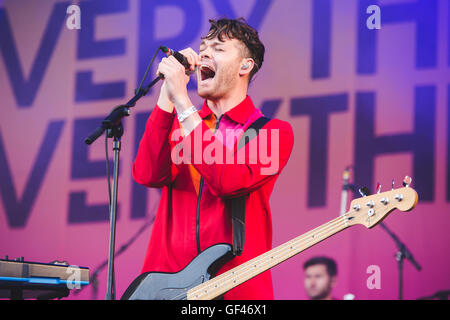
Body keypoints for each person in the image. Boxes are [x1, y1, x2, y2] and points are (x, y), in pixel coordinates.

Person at [132, 17, 294, 299]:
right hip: (164, 286)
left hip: (234, 291)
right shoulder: (182, 122)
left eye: (218, 49)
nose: (204, 52)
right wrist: (167, 96)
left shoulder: (272, 132)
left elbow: (228, 181)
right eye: (204, 46)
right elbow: (147, 174)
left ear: (245, 65)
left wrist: (183, 101)